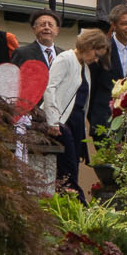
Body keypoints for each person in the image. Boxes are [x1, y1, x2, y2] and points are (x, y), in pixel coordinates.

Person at [44, 28, 106, 193]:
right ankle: (78, 201)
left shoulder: (85, 67)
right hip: (62, 122)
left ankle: (69, 202)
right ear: (89, 45)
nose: (95, 60)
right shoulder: (65, 58)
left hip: (76, 123)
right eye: (96, 54)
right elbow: (50, 88)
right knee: (68, 169)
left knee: (72, 169)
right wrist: (53, 121)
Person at [85, 3, 127, 138]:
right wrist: (94, 118)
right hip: (104, 123)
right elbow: (91, 88)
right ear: (113, 25)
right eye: (125, 23)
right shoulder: (101, 51)